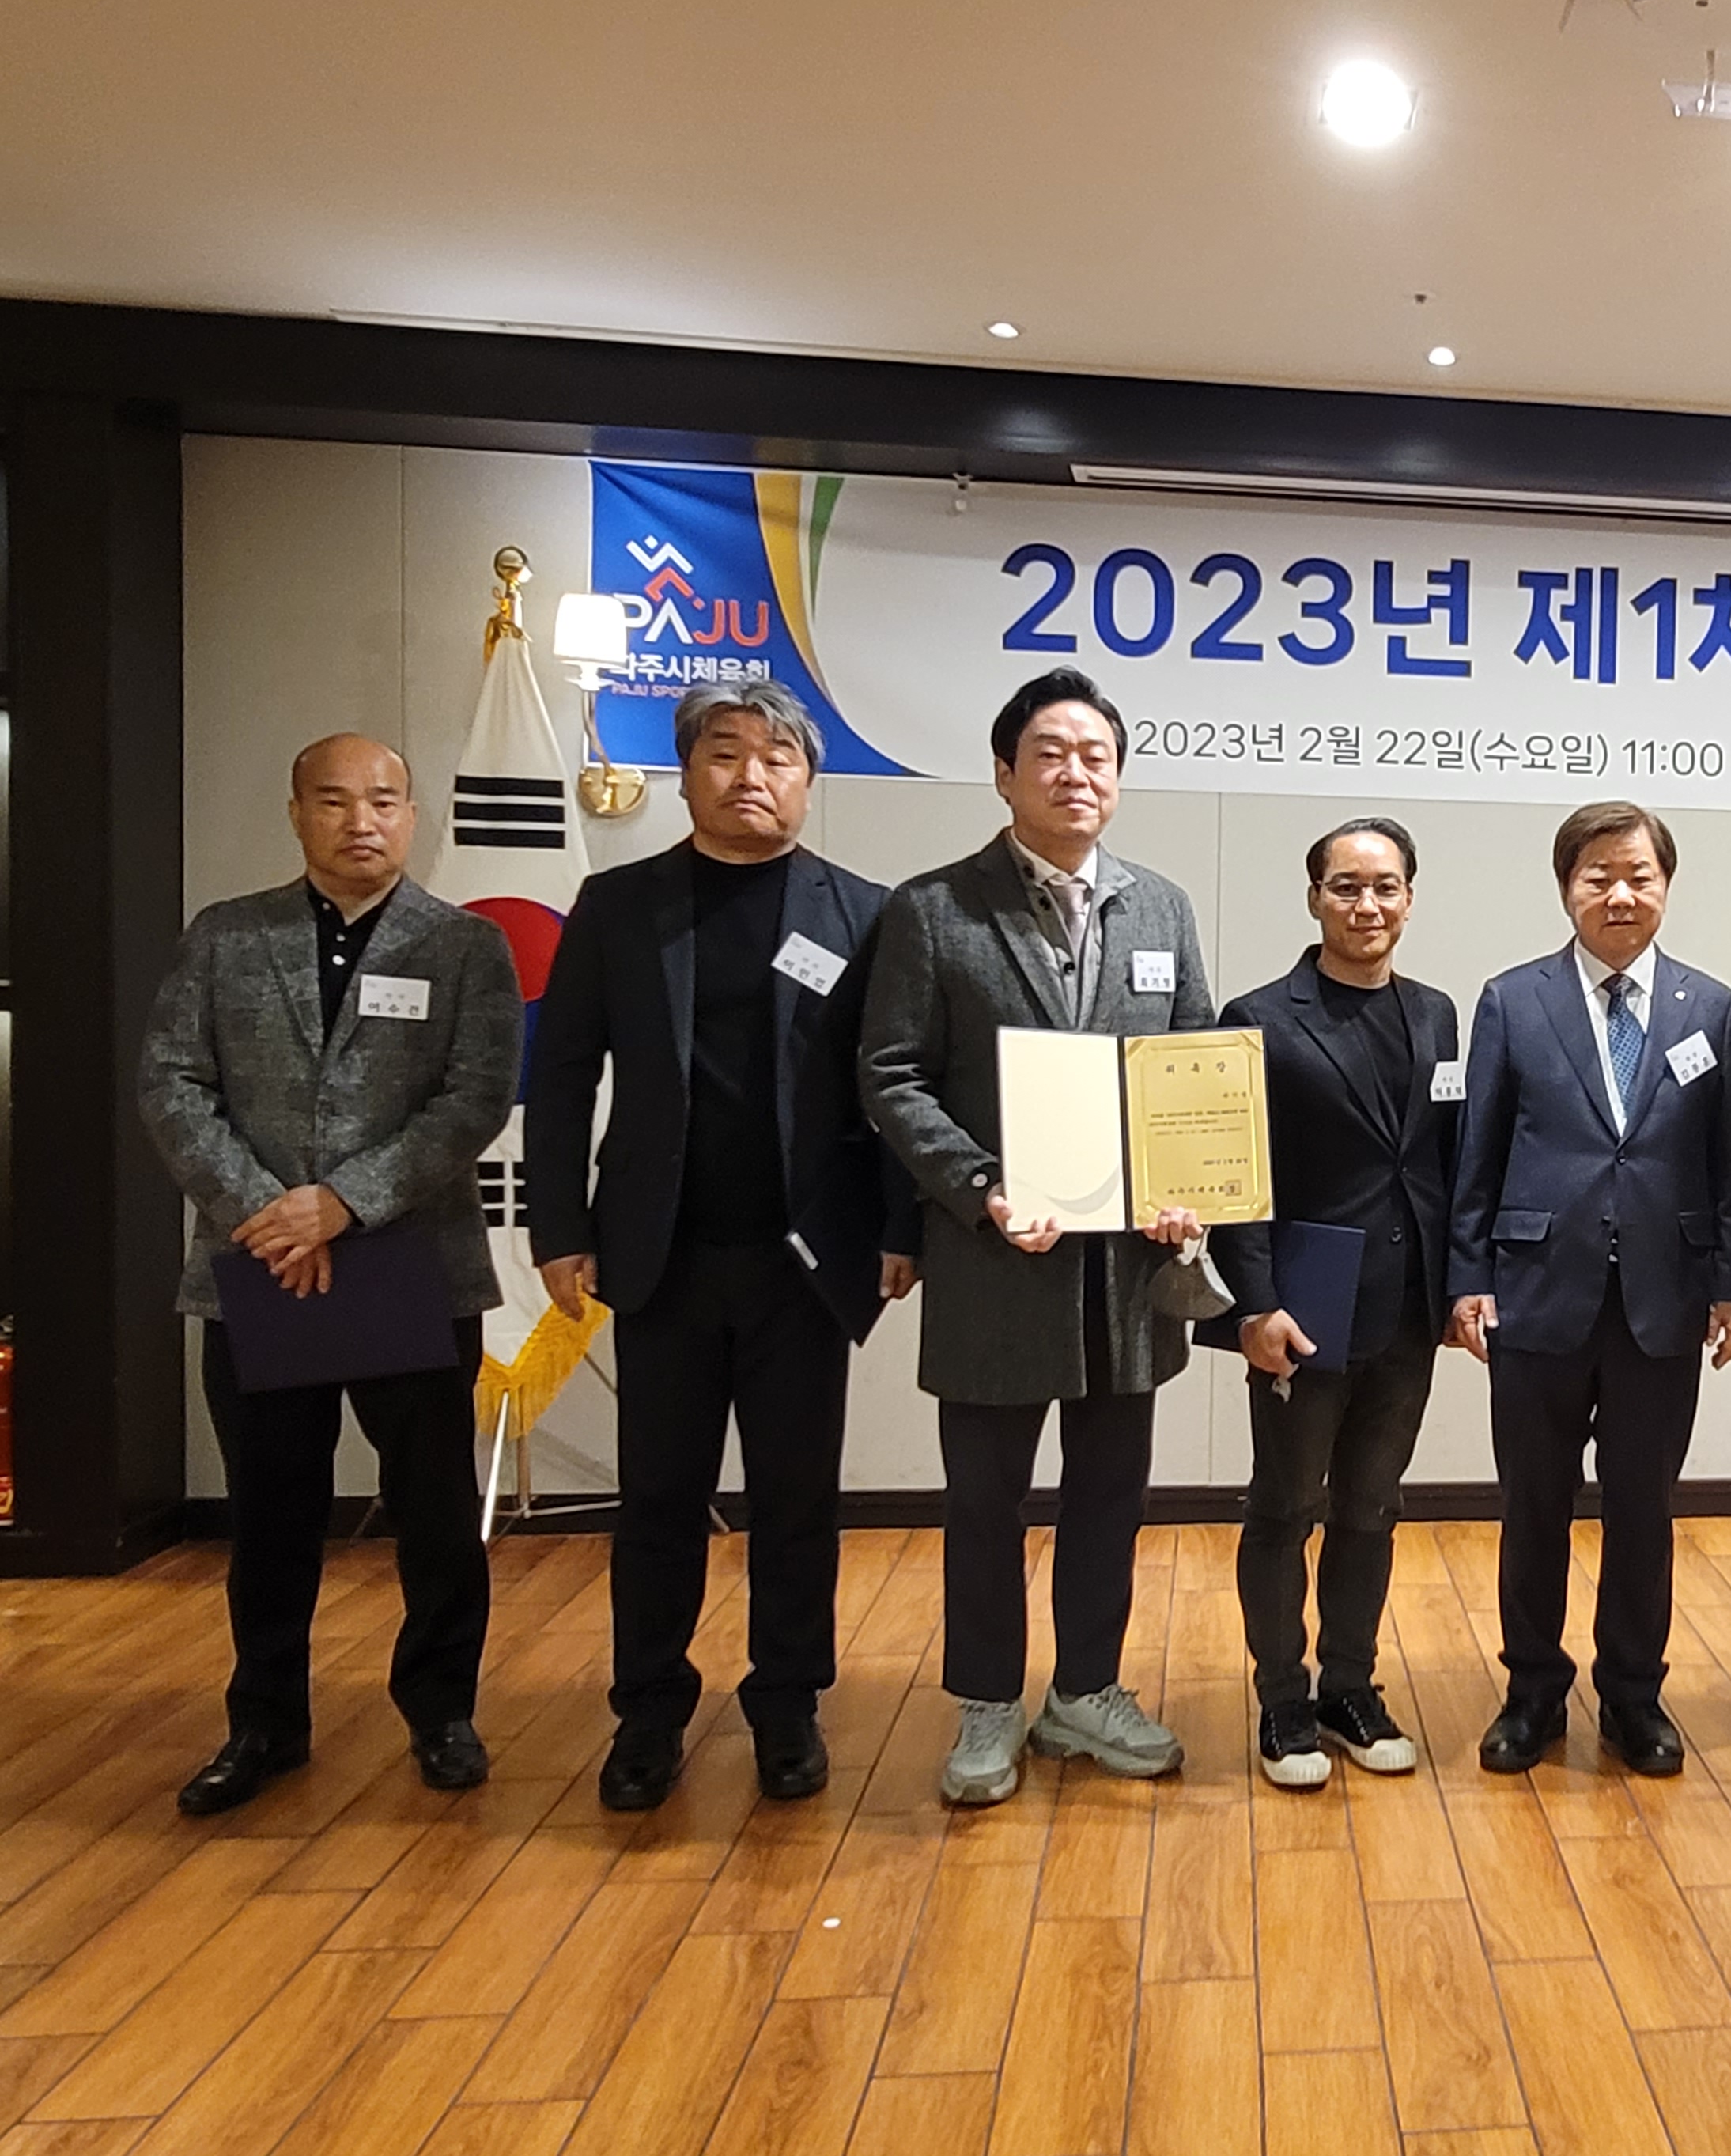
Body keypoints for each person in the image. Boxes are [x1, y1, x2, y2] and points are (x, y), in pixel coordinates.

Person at [524, 681, 919, 1814]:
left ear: (809, 780)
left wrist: (899, 1227)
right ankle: (648, 1712)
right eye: (726, 754)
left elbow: (893, 1083)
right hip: (662, 1254)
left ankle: (788, 1704)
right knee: (658, 1499)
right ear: (687, 773)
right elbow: (563, 1075)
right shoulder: (618, 905)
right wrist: (559, 1228)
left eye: (777, 758)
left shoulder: (864, 912)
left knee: (798, 1500)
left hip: (810, 1259)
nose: (752, 776)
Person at [134, 734, 523, 1814]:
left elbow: (475, 1097)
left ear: (413, 815)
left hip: (410, 1263)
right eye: (336, 800)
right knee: (270, 1511)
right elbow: (171, 1083)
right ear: (297, 811)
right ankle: (264, 1723)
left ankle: (441, 1711)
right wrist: (264, 1210)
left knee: (434, 1509)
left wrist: (344, 1200)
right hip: (261, 1264)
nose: (362, 821)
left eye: (385, 800)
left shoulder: (466, 946)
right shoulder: (226, 936)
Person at [860, 666, 1217, 1809]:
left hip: (1123, 1271)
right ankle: (985, 1700)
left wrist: (1187, 1186)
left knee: (1111, 1493)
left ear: (1118, 778)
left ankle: (1087, 1690)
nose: (1076, 774)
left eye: (1096, 756)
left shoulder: (1161, 908)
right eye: (1050, 754)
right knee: (985, 1500)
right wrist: (982, 1188)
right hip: (994, 1256)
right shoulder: (933, 909)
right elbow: (892, 1074)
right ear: (1004, 773)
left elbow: (1189, 1065)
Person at [1449, 801, 1731, 1779]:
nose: (1620, 894)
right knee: (1532, 1507)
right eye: (1597, 877)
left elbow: (1728, 1159)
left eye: (1638, 876)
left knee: (1643, 1510)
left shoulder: (1710, 1006)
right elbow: (1478, 1152)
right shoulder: (1513, 999)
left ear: (1666, 885)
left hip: (1663, 1301)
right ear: (1565, 888)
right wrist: (1467, 1278)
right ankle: (1532, 1691)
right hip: (1535, 1292)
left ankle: (1633, 1694)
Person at [1215, 818, 1459, 1788]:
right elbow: (1236, 1176)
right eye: (1346, 887)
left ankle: (1348, 1686)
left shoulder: (1437, 1014)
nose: (1367, 905)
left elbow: (1444, 1162)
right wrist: (1253, 1303)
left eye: (1385, 887)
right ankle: (1282, 1698)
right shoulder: (1259, 1017)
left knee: (1371, 1508)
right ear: (1314, 898)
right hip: (1303, 1305)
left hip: (1407, 1309)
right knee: (1285, 1507)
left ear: (1410, 899)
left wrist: (1459, 1286)